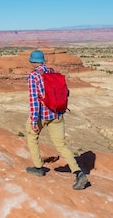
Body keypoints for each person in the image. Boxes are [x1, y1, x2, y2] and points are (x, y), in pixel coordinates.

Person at [25, 50, 89, 190]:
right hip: (57, 114)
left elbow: (34, 100)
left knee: (32, 136)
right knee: (61, 145)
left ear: (32, 62)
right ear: (43, 61)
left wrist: (34, 120)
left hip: (42, 115)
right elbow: (66, 92)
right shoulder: (53, 72)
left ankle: (38, 168)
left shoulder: (33, 76)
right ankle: (78, 173)